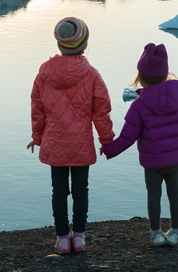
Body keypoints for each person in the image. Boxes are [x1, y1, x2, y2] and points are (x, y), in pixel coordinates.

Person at [28, 17, 114, 255]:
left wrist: (38, 136)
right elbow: (101, 110)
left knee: (58, 191)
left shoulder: (43, 74)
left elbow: (37, 109)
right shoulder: (92, 75)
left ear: (59, 44)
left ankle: (62, 239)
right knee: (80, 190)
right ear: (84, 44)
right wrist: (106, 140)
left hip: (54, 142)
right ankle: (79, 238)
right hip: (81, 144)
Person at [102, 43, 178, 247]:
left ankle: (156, 234)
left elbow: (128, 137)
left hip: (152, 161)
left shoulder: (139, 105)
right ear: (165, 73)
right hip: (175, 159)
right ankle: (176, 232)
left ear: (141, 76)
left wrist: (109, 149)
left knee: (154, 195)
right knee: (175, 194)